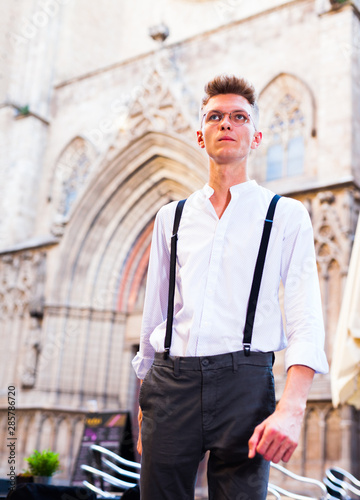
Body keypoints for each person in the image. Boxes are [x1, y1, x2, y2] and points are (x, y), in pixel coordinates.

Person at [132, 74, 329, 500]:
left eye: (239, 117)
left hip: (246, 384)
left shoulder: (287, 214)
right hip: (171, 385)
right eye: (215, 116)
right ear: (200, 136)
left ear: (256, 136)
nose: (226, 124)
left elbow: (305, 316)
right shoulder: (172, 217)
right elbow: (156, 316)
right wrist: (146, 408)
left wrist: (292, 409)